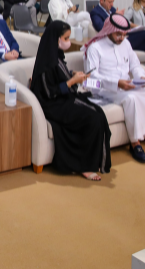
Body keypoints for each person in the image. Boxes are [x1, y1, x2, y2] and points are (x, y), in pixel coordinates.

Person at [83, 14, 145, 163]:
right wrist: (117, 83)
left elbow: (135, 65)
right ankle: (135, 144)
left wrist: (140, 77)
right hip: (105, 89)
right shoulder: (95, 48)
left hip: (128, 85)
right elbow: (91, 77)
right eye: (118, 34)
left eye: (124, 34)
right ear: (109, 30)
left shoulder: (126, 44)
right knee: (131, 99)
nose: (122, 38)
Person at [31, 21, 111, 180]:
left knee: (98, 113)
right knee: (92, 118)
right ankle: (85, 166)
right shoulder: (47, 61)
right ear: (56, 39)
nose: (68, 42)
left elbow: (60, 74)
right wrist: (72, 81)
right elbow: (49, 92)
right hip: (52, 104)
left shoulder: (57, 54)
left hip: (63, 99)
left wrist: (74, 75)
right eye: (66, 38)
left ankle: (95, 160)